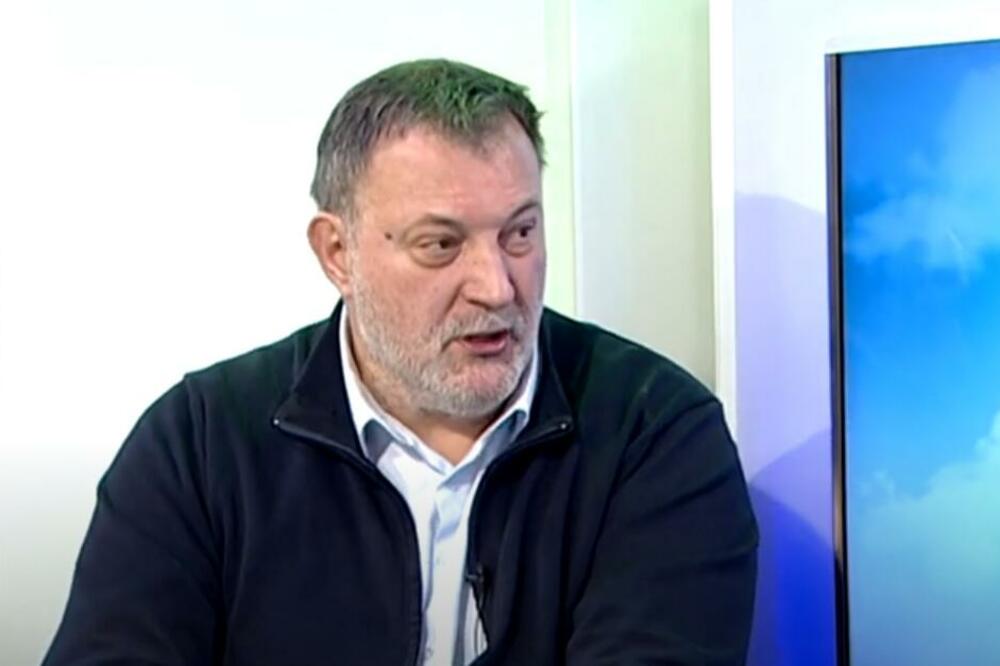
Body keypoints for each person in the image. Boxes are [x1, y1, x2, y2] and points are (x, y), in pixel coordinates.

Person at [44, 59, 758, 666]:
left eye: (519, 233)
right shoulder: (200, 444)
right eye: (440, 245)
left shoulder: (655, 434)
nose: (496, 286)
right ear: (337, 253)